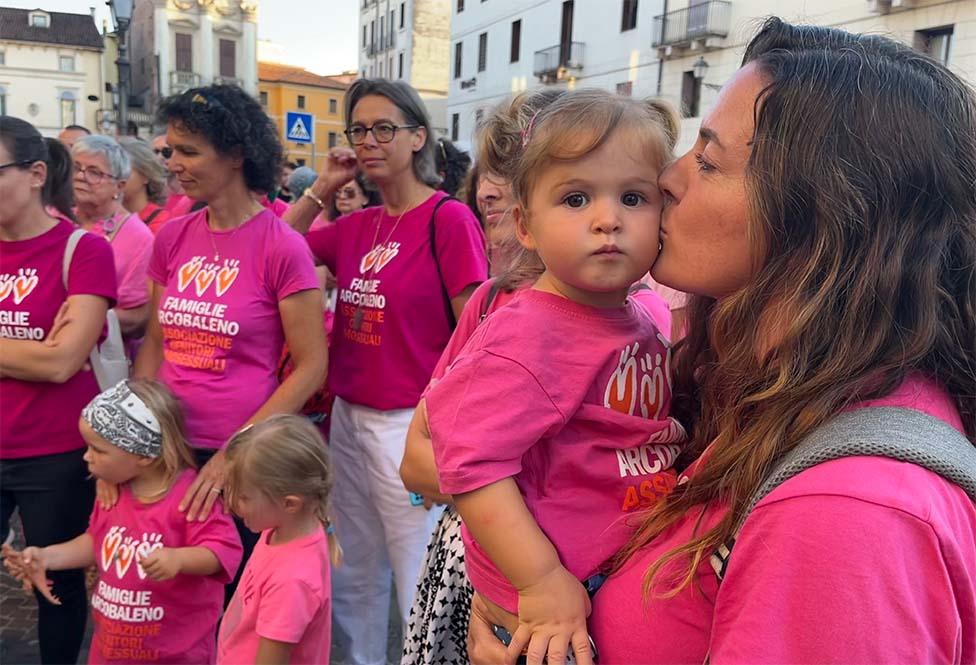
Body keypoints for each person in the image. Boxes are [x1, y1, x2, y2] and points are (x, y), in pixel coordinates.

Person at [468, 18, 976, 665]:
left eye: (707, 160)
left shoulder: (848, 512)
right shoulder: (781, 391)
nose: (668, 180)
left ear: (817, 219)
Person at [426, 89, 686, 665]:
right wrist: (540, 581)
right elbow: (467, 464)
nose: (607, 219)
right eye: (575, 198)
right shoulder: (528, 335)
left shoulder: (642, 314)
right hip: (552, 598)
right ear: (525, 224)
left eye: (634, 197)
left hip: (607, 567)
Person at [284, 78, 488, 665]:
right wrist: (323, 186)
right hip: (349, 418)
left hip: (411, 422)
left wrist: (446, 426)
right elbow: (275, 246)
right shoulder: (357, 225)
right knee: (357, 566)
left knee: (418, 572)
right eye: (358, 130)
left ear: (418, 135)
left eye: (383, 128)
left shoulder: (446, 221)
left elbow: (474, 333)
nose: (369, 142)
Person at [131, 84, 326, 599]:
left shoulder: (282, 245)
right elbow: (154, 342)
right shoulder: (171, 238)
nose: (174, 164)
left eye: (190, 151)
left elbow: (310, 367)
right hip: (169, 451)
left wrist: (234, 451)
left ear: (237, 155)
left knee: (234, 597)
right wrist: (136, 435)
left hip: (243, 460)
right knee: (172, 594)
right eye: (172, 150)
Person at [399, 88, 560, 665]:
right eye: (486, 170)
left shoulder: (642, 313)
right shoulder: (491, 302)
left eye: (509, 169)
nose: (486, 188)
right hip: (481, 570)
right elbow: (417, 461)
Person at [2, 379, 243, 664]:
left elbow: (225, 551)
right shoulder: (114, 491)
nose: (86, 457)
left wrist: (179, 559)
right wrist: (46, 556)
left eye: (98, 450)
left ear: (143, 455)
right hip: (109, 650)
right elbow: (97, 541)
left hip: (175, 655)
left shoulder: (190, 499)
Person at [0, 115, 118, 664]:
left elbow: (62, 363)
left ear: (35, 174)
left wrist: (44, 359)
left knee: (57, 585)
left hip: (56, 452)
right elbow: (44, 357)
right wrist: (31, 355)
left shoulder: (83, 251)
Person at [217, 415, 341, 665]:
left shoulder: (292, 581)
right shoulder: (282, 527)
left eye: (243, 497)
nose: (230, 507)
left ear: (290, 503)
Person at [72, 135, 154, 343]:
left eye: (94, 172)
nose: (81, 176)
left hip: (99, 355)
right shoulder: (56, 217)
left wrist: (74, 321)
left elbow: (138, 319)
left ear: (119, 186)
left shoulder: (138, 237)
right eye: (76, 168)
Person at [119, 136, 172, 234]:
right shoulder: (104, 219)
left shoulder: (162, 224)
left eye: (125, 171)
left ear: (146, 175)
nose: (117, 177)